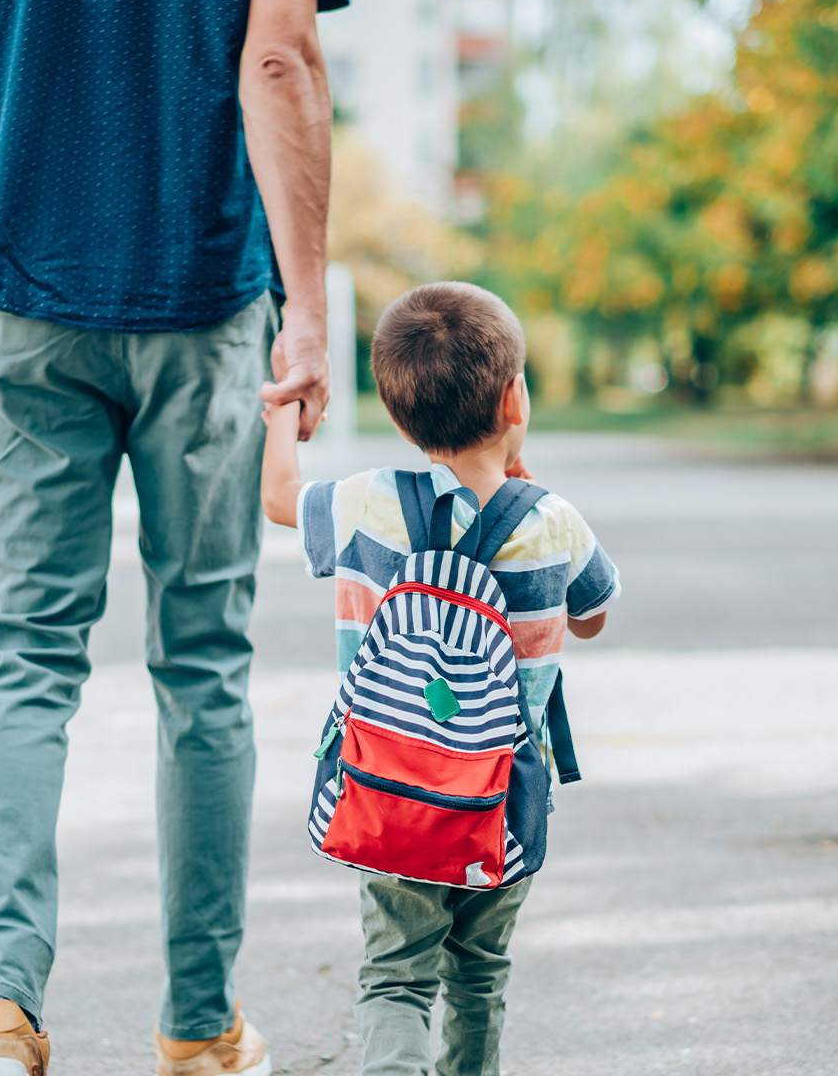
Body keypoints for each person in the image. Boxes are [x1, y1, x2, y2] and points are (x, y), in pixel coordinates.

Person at [0, 0, 348, 1075]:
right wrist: (308, 307)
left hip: (22, 289)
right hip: (200, 292)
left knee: (27, 651)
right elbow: (277, 60)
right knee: (201, 662)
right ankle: (198, 1028)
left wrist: (29, 107)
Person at [259, 282, 621, 1076]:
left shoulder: (367, 503)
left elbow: (279, 497)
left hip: (388, 792)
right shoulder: (553, 521)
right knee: (479, 976)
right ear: (514, 396)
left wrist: (284, 408)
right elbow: (593, 615)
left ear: (397, 418)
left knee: (395, 979)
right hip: (501, 803)